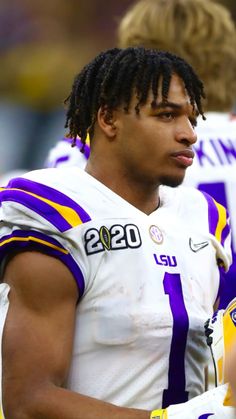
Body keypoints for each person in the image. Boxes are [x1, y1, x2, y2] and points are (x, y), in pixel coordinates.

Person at [0, 47, 235, 418]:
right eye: (167, 115)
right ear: (109, 119)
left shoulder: (206, 218)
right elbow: (28, 402)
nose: (189, 134)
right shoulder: (57, 213)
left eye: (191, 118)